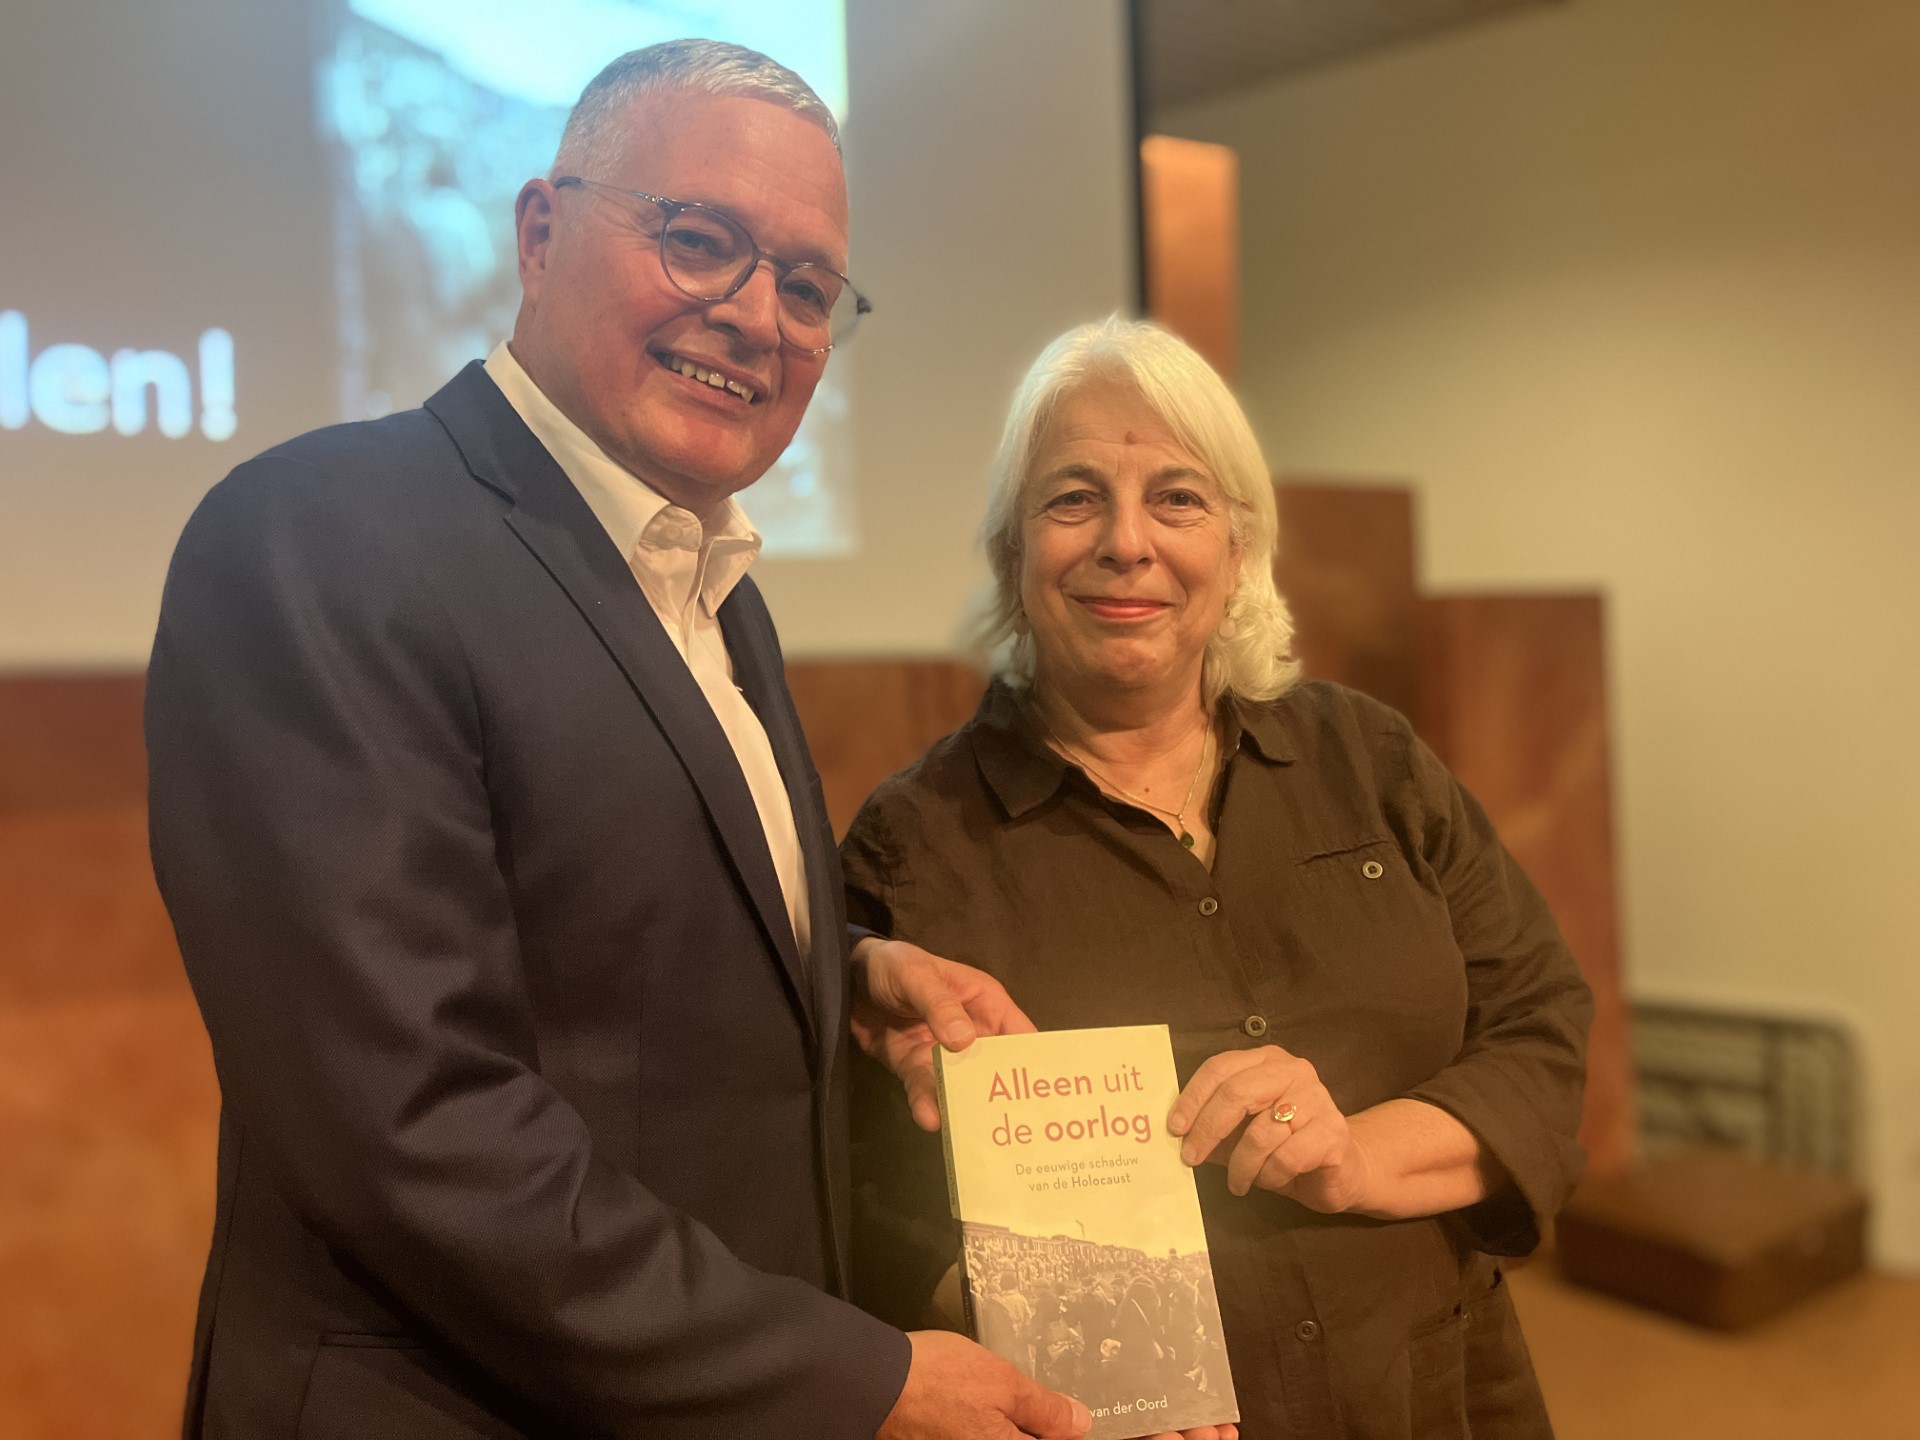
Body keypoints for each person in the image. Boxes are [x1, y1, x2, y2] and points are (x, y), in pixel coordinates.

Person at [146, 39, 1092, 1439]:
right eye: (699, 242)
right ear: (540, 233)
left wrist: (839, 980)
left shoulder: (714, 586)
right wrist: (856, 1375)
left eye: (807, 285)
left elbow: (604, 948)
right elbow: (413, 1122)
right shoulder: (318, 539)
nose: (755, 315)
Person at [844, 317, 1593, 1437]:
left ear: (1239, 550)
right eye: (1072, 498)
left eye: (1178, 499)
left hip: (1438, 1396)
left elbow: (1541, 1031)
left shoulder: (1370, 759)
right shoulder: (915, 845)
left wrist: (1358, 1160)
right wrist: (1066, 1363)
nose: (1127, 543)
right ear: (1012, 550)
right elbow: (861, 1204)